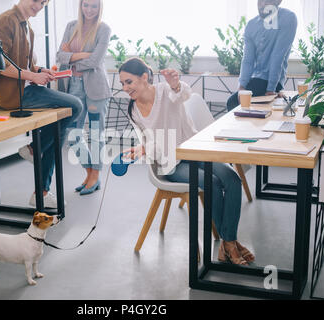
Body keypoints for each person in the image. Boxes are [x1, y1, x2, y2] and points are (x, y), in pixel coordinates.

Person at [120, 58, 254, 265]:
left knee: (233, 180)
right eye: (122, 84)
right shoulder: (133, 110)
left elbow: (183, 94)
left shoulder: (165, 91)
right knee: (214, 185)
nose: (125, 88)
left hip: (194, 151)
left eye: (129, 82)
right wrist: (143, 148)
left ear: (144, 78)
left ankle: (229, 241)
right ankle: (230, 244)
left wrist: (175, 83)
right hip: (170, 164)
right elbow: (151, 142)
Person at [0, 0, 83, 208]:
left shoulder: (26, 26)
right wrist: (31, 75)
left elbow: (25, 66)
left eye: (43, 4)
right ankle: (33, 153)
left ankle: (41, 189)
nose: (39, 6)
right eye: (36, 1)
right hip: (13, 95)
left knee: (58, 127)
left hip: (25, 89)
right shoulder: (4, 22)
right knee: (75, 106)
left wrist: (40, 71)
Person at [56, 0, 112, 196]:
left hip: (96, 87)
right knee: (72, 133)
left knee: (96, 133)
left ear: (100, 8)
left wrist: (72, 56)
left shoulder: (104, 29)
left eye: (94, 6)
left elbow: (96, 60)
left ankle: (95, 175)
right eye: (86, 5)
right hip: (73, 87)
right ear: (81, 5)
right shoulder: (71, 26)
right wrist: (83, 54)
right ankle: (90, 173)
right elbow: (59, 56)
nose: (89, 10)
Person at [226, 0, 298, 111]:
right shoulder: (251, 25)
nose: (263, 5)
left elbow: (278, 55)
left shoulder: (288, 18)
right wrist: (241, 87)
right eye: (260, 1)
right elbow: (248, 60)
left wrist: (271, 89)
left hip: (272, 82)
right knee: (234, 103)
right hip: (255, 81)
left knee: (233, 103)